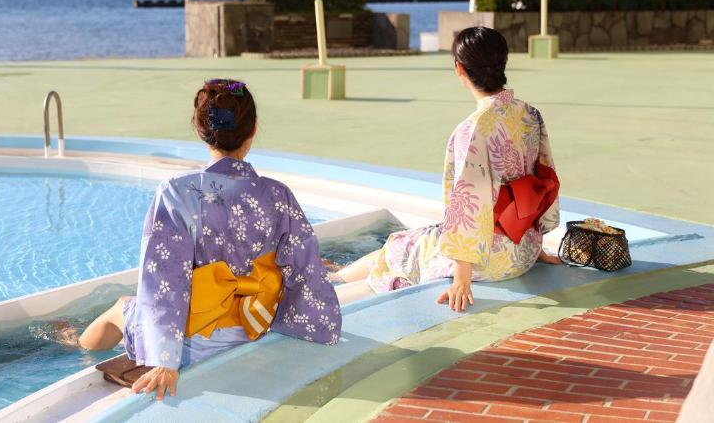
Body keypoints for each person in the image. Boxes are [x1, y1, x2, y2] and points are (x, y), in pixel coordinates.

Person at [79, 79, 342, 399]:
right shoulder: (277, 194)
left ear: (200, 129)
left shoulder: (177, 193)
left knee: (121, 307)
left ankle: (75, 351)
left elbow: (163, 282)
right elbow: (305, 271)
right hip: (254, 327)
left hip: (194, 343)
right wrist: (317, 328)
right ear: (253, 128)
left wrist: (165, 359)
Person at [333, 26, 562, 311]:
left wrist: (461, 279)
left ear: (459, 69)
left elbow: (468, 206)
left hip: (490, 261)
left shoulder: (473, 129)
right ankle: (336, 275)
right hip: (525, 249)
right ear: (504, 62)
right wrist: (537, 247)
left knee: (401, 244)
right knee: (419, 238)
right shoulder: (530, 113)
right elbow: (544, 178)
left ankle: (334, 278)